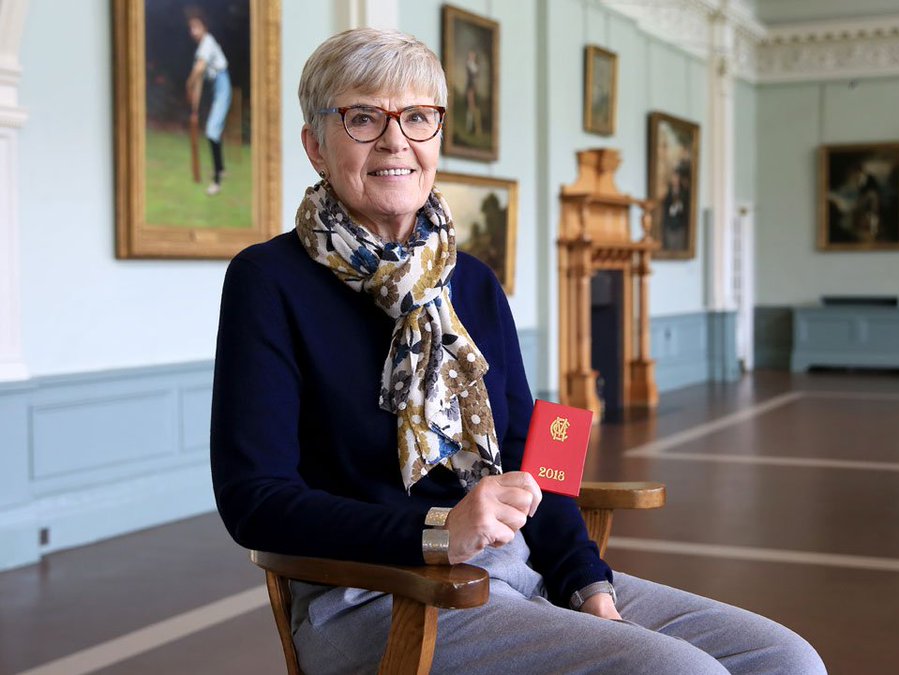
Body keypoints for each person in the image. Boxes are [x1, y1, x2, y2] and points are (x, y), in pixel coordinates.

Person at [210, 28, 826, 675]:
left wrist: (588, 583)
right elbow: (254, 496)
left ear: (437, 135)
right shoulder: (269, 280)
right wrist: (438, 530)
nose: (396, 140)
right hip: (376, 595)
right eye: (363, 118)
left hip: (517, 567)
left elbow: (541, 450)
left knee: (785, 658)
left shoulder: (471, 279)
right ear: (315, 145)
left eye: (418, 117)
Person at [186, 8, 231, 196]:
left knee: (212, 130)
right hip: (217, 88)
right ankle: (220, 169)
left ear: (204, 27)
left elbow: (198, 70)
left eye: (196, 27)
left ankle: (216, 182)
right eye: (191, 28)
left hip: (223, 85)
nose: (193, 31)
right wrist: (194, 108)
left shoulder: (207, 42)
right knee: (214, 130)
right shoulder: (202, 46)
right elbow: (199, 84)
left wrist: (187, 83)